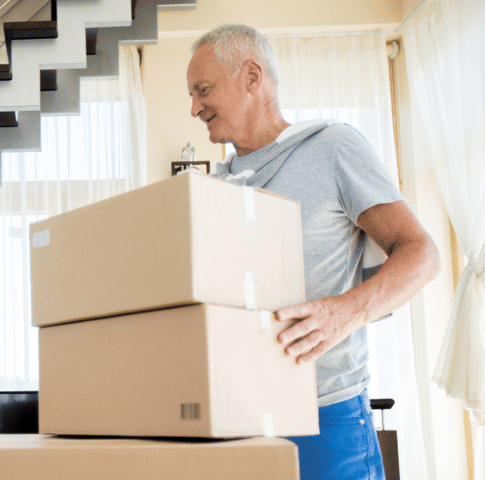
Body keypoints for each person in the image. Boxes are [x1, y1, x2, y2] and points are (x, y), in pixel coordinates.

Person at [187, 24, 440, 479]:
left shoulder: (333, 148)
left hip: (326, 418)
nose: (194, 108)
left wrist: (345, 312)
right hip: (237, 423)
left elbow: (422, 253)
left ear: (251, 76)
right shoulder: (213, 187)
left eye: (203, 90)